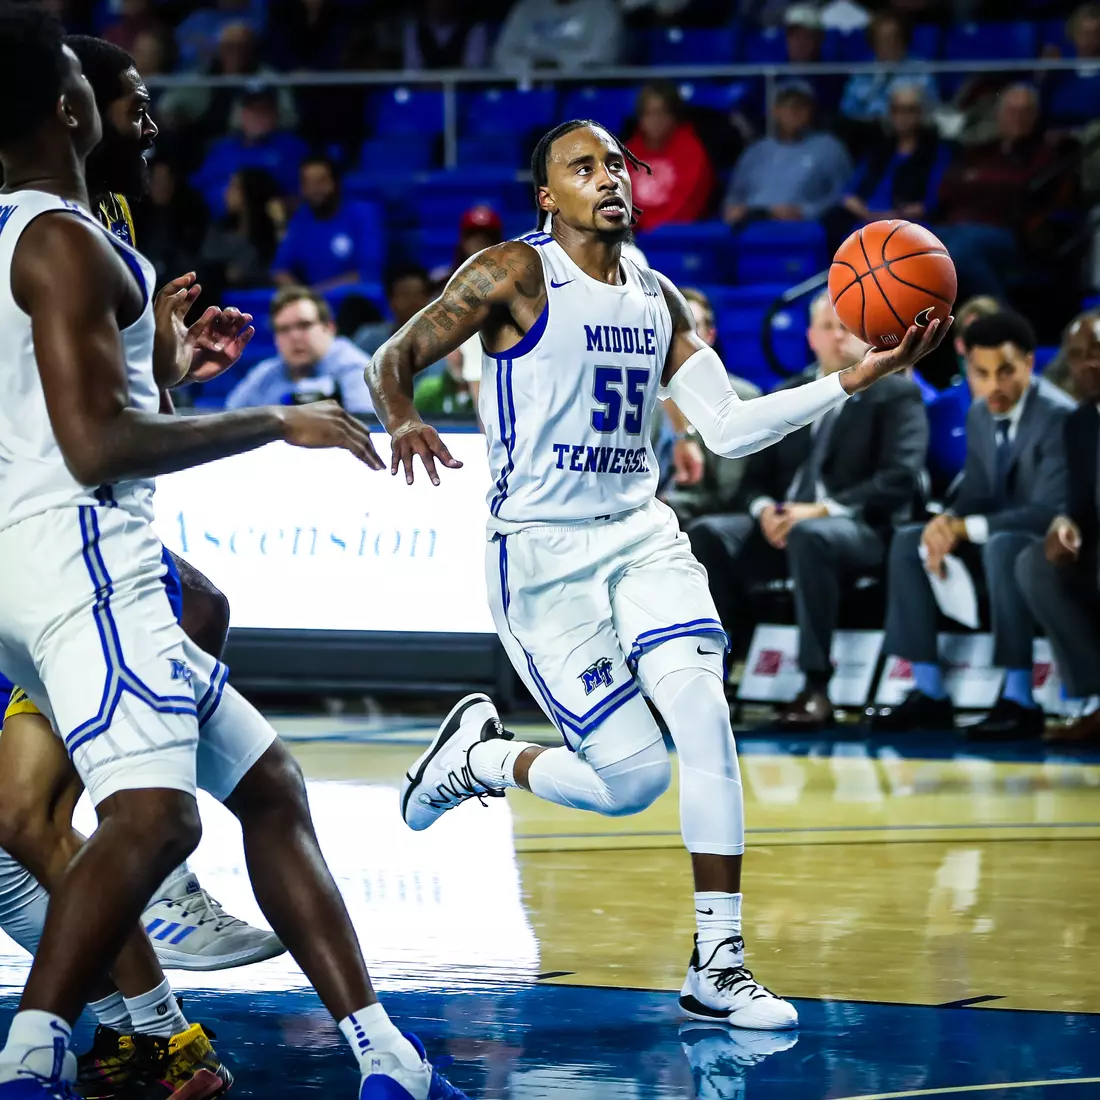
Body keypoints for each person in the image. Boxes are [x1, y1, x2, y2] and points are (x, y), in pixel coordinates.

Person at [365, 118, 948, 1030]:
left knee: (707, 720)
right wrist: (400, 415)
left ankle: (720, 960)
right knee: (632, 782)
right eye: (584, 167)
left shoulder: (660, 296)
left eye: (618, 166)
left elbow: (730, 426)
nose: (610, 179)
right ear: (547, 197)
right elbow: (389, 356)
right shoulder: (513, 275)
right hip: (543, 560)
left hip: (640, 538)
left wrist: (855, 378)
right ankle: (480, 760)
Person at [0, 10, 462, 1099]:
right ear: (68, 107)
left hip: (31, 562)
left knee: (271, 784)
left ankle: (386, 1058)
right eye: (92, 79)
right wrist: (276, 419)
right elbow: (96, 442)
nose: (140, 111)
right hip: (82, 557)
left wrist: (163, 368)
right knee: (152, 818)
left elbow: (70, 410)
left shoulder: (30, 229)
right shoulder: (64, 237)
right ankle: (39, 1051)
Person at [688, 293, 928, 729]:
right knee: (708, 533)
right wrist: (764, 511)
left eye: (847, 327)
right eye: (828, 326)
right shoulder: (789, 392)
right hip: (787, 524)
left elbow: (898, 479)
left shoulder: (896, 393)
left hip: (861, 530)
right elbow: (752, 480)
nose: (838, 336)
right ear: (810, 336)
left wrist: (817, 511)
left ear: (866, 335)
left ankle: (816, 687)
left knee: (809, 536)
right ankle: (716, 674)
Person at [871, 311, 1073, 741]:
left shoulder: (1060, 417)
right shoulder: (981, 414)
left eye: (1005, 371)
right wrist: (945, 520)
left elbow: (1050, 510)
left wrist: (965, 529)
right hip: (996, 535)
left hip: (1049, 546)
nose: (993, 385)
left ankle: (1020, 698)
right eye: (981, 374)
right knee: (911, 540)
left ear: (1029, 363)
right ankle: (929, 693)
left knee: (1004, 545)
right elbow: (978, 493)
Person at [1017, 310, 1100, 745]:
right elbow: (1080, 501)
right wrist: (1066, 523)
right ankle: (1093, 700)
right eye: (1077, 356)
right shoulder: (1081, 422)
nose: (1087, 364)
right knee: (1034, 561)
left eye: (1096, 353)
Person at [935, 84, 1079, 302]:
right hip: (958, 226)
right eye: (1012, 111)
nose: (1018, 118)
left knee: (959, 249)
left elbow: (1021, 190)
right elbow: (948, 186)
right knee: (921, 243)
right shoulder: (982, 150)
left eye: (1025, 111)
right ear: (999, 114)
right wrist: (993, 184)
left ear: (1036, 117)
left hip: (1013, 235)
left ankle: (999, 316)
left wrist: (978, 181)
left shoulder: (1046, 154)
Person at [660, 287, 761, 523]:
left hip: (694, 516)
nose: (678, 340)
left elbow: (729, 493)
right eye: (671, 328)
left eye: (691, 328)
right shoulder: (643, 395)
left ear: (711, 335)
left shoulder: (743, 396)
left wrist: (667, 505)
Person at [226, 287, 375, 413]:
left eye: (304, 325)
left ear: (329, 327)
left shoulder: (356, 369)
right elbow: (230, 419)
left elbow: (368, 427)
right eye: (284, 329)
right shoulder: (266, 373)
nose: (295, 337)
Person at [723, 83, 852, 227]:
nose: (793, 112)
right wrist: (734, 211)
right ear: (775, 111)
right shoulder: (756, 150)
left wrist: (807, 212)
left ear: (811, 111)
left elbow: (845, 196)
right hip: (751, 226)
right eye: (787, 106)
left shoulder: (829, 147)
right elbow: (734, 196)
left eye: (800, 106)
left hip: (800, 229)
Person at [835, 83, 950, 237]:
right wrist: (868, 214)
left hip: (909, 226)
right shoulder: (878, 149)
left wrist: (895, 215)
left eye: (909, 110)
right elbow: (848, 193)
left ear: (921, 113)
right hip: (867, 222)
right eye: (896, 110)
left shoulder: (936, 152)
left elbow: (932, 202)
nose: (902, 117)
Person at [272, 157, 381, 291]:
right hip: (313, 304)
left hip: (355, 302)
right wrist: (302, 296)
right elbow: (280, 271)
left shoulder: (363, 214)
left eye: (320, 181)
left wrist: (316, 295)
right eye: (307, 183)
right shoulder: (302, 218)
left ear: (335, 183)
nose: (314, 189)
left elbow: (366, 274)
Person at [625, 83, 714, 232]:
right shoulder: (627, 152)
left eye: (662, 113)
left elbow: (687, 207)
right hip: (631, 237)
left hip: (675, 239)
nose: (655, 120)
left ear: (674, 116)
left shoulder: (691, 152)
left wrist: (644, 228)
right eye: (649, 113)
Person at [839, 11, 939, 122]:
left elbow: (932, 109)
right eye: (884, 39)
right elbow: (847, 110)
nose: (890, 44)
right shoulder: (862, 73)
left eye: (895, 38)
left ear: (905, 40)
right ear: (873, 43)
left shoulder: (921, 70)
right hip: (868, 130)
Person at [200, 166, 280, 299]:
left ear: (251, 192)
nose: (227, 192)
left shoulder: (268, 234)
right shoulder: (219, 229)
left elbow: (274, 272)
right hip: (219, 300)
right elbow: (207, 265)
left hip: (260, 300)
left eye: (234, 187)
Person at [492, 0, 622, 74]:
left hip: (583, 88)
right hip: (527, 86)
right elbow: (502, 54)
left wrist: (559, 65)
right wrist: (533, 65)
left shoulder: (602, 7)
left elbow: (603, 54)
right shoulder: (527, 7)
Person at [403, 0, 489, 70]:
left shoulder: (475, 28)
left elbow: (473, 71)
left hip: (464, 90)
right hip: (424, 90)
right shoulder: (414, 29)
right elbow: (412, 71)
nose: (440, 3)